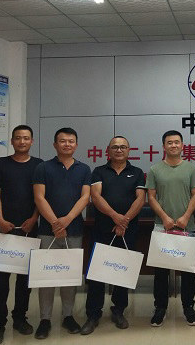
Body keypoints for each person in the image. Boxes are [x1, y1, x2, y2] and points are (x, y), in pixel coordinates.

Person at [82, 136, 146, 335]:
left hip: (128, 230)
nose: (119, 150)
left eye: (123, 147)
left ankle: (118, 310)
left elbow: (140, 198)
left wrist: (124, 221)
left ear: (129, 150)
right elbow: (96, 196)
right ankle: (93, 314)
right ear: (108, 150)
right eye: (115, 147)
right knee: (96, 273)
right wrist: (115, 217)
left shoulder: (137, 172)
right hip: (102, 229)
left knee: (122, 271)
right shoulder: (99, 171)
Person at [32, 128, 91, 340]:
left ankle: (68, 316)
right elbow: (39, 197)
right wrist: (55, 223)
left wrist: (67, 220)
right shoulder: (43, 167)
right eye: (63, 141)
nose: (67, 144)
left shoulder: (84, 169)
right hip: (47, 231)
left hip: (74, 230)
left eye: (71, 141)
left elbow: (85, 198)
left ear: (76, 144)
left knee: (69, 275)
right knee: (46, 276)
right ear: (55, 144)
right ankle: (45, 319)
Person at [0, 125, 43, 345]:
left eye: (26, 138)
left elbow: (41, 197)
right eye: (18, 138)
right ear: (12, 141)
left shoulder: (39, 165)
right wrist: (0, 220)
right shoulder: (1, 164)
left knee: (24, 280)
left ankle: (20, 317)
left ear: (32, 141)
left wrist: (34, 218)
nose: (22, 141)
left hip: (29, 230)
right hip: (3, 230)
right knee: (0, 282)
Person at [146, 130, 195, 326]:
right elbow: (151, 197)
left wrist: (185, 217)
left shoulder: (191, 169)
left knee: (188, 271)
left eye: (177, 142)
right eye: (170, 142)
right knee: (160, 271)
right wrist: (164, 218)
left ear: (182, 145)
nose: (174, 145)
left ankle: (188, 307)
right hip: (162, 226)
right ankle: (160, 308)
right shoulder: (154, 170)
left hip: (187, 226)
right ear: (164, 146)